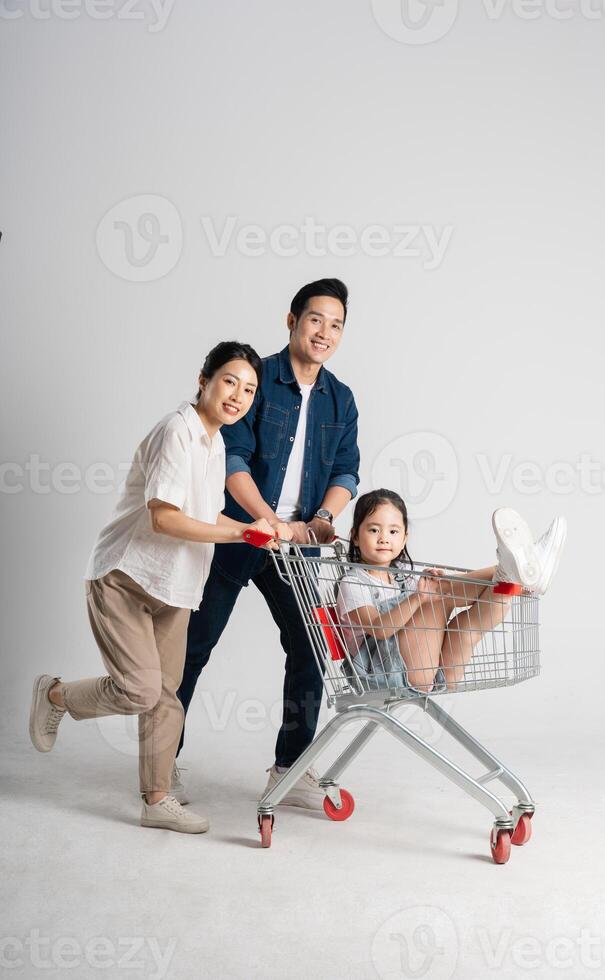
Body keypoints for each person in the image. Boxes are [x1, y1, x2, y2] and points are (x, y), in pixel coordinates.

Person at [28, 341, 284, 834]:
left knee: (167, 694)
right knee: (141, 690)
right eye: (229, 381)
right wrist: (238, 532)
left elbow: (203, 514)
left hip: (178, 586)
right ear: (203, 379)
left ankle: (157, 799)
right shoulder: (177, 432)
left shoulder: (215, 444)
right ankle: (56, 696)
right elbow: (165, 517)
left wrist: (256, 525)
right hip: (126, 576)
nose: (238, 396)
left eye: (249, 389)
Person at [176, 279, 360, 810]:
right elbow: (233, 459)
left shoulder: (341, 399)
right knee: (192, 648)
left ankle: (291, 768)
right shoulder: (260, 380)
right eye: (315, 319)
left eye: (336, 324)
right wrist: (265, 520)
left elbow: (347, 467)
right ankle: (164, 760)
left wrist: (324, 517)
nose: (324, 332)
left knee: (311, 649)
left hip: (297, 550)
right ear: (292, 320)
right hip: (238, 532)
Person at [336, 489, 567, 694]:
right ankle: (523, 569)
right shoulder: (353, 583)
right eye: (374, 530)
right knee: (439, 592)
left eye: (394, 532)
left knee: (466, 629)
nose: (384, 538)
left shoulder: (403, 573)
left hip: (435, 669)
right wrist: (419, 597)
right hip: (386, 674)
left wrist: (429, 584)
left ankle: (513, 576)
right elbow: (379, 628)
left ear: (405, 537)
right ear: (355, 535)